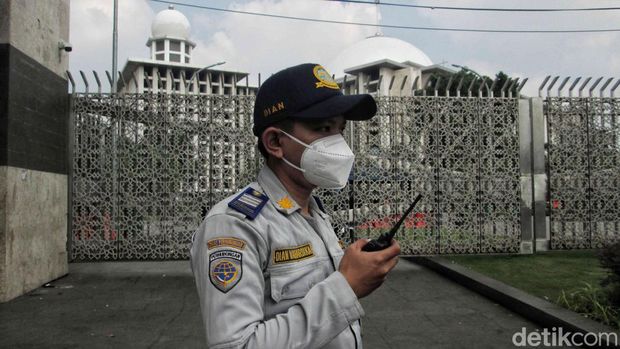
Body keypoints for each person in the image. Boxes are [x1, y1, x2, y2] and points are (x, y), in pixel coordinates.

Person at [190, 63, 401, 349]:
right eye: (323, 128)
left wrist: (355, 267)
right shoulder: (234, 225)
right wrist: (347, 286)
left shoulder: (315, 211)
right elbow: (236, 345)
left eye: (339, 129)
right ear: (275, 142)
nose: (337, 142)